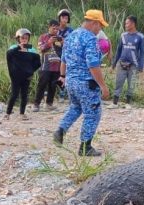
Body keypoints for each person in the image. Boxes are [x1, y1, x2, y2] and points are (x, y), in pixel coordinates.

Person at [53, 9, 110, 156]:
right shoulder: (90, 39)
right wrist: (103, 86)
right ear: (94, 23)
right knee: (93, 113)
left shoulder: (71, 36)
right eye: (100, 26)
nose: (100, 30)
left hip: (71, 81)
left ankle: (60, 130)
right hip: (86, 83)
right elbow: (93, 65)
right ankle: (86, 147)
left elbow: (63, 61)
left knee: (76, 107)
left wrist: (62, 76)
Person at [108, 15, 144, 110]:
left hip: (133, 65)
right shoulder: (123, 35)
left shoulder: (140, 36)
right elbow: (118, 50)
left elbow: (142, 53)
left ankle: (128, 103)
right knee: (118, 83)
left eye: (127, 23)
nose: (126, 25)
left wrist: (141, 66)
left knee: (131, 84)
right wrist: (113, 64)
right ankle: (115, 103)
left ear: (133, 24)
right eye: (125, 23)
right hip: (121, 63)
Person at [4, 28, 41, 120]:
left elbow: (37, 62)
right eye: (22, 38)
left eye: (26, 38)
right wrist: (19, 48)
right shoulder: (13, 48)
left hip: (26, 76)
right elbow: (9, 55)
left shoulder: (31, 50)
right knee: (14, 94)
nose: (24, 40)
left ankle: (22, 113)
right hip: (16, 77)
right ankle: (7, 113)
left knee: (24, 95)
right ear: (18, 39)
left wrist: (31, 71)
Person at [32, 20, 62, 112]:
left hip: (57, 66)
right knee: (42, 85)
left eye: (57, 28)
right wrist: (49, 42)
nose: (55, 30)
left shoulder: (59, 38)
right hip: (46, 66)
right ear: (49, 27)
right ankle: (36, 104)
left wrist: (64, 43)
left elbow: (62, 52)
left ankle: (49, 104)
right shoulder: (43, 37)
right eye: (54, 28)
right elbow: (41, 49)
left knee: (53, 86)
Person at [57, 9, 73, 103]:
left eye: (66, 18)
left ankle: (63, 94)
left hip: (66, 55)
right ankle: (52, 93)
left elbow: (73, 42)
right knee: (56, 74)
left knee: (65, 74)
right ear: (59, 18)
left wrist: (64, 42)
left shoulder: (70, 31)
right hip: (55, 54)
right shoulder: (55, 29)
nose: (65, 19)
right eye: (63, 17)